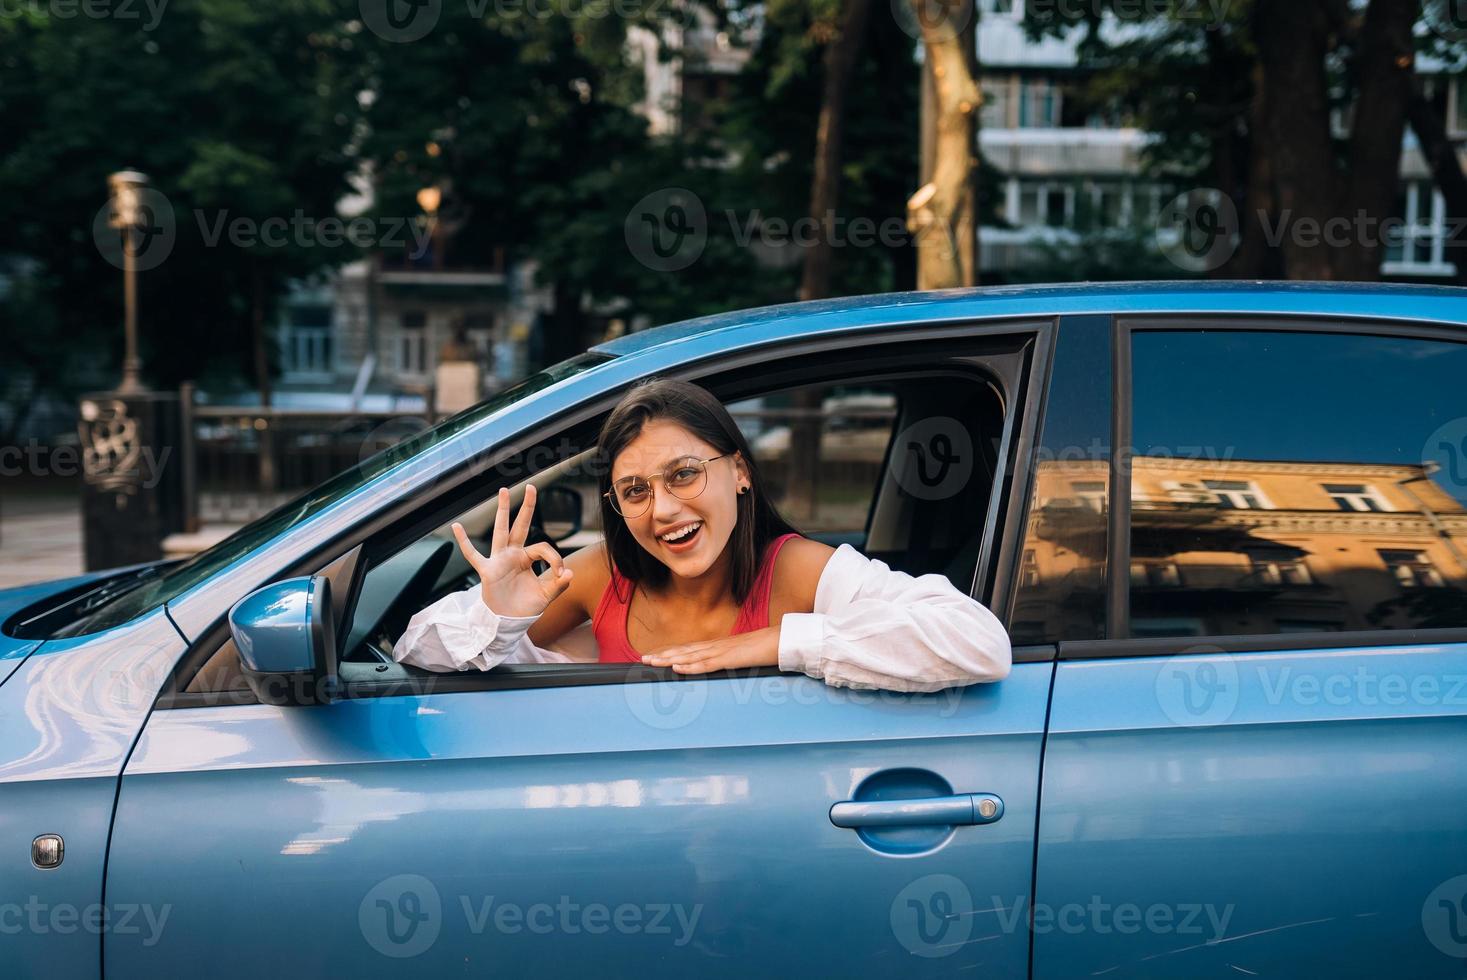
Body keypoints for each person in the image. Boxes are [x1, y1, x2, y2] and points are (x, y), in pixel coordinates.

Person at [392, 379, 1011, 692]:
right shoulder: (604, 573)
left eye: (684, 474)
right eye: (635, 491)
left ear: (739, 471)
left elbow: (979, 643)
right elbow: (412, 653)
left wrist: (775, 643)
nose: (662, 510)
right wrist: (497, 614)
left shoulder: (796, 570)